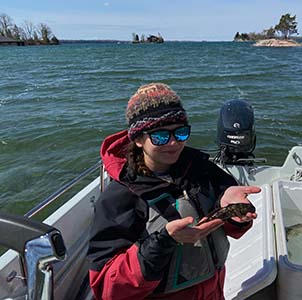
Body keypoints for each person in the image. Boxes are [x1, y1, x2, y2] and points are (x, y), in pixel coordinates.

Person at [87, 83, 260, 300]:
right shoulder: (118, 198)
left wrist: (237, 214)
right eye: (160, 136)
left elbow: (231, 228)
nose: (173, 143)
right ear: (138, 139)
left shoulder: (203, 170)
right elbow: (107, 287)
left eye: (180, 132)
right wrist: (164, 241)